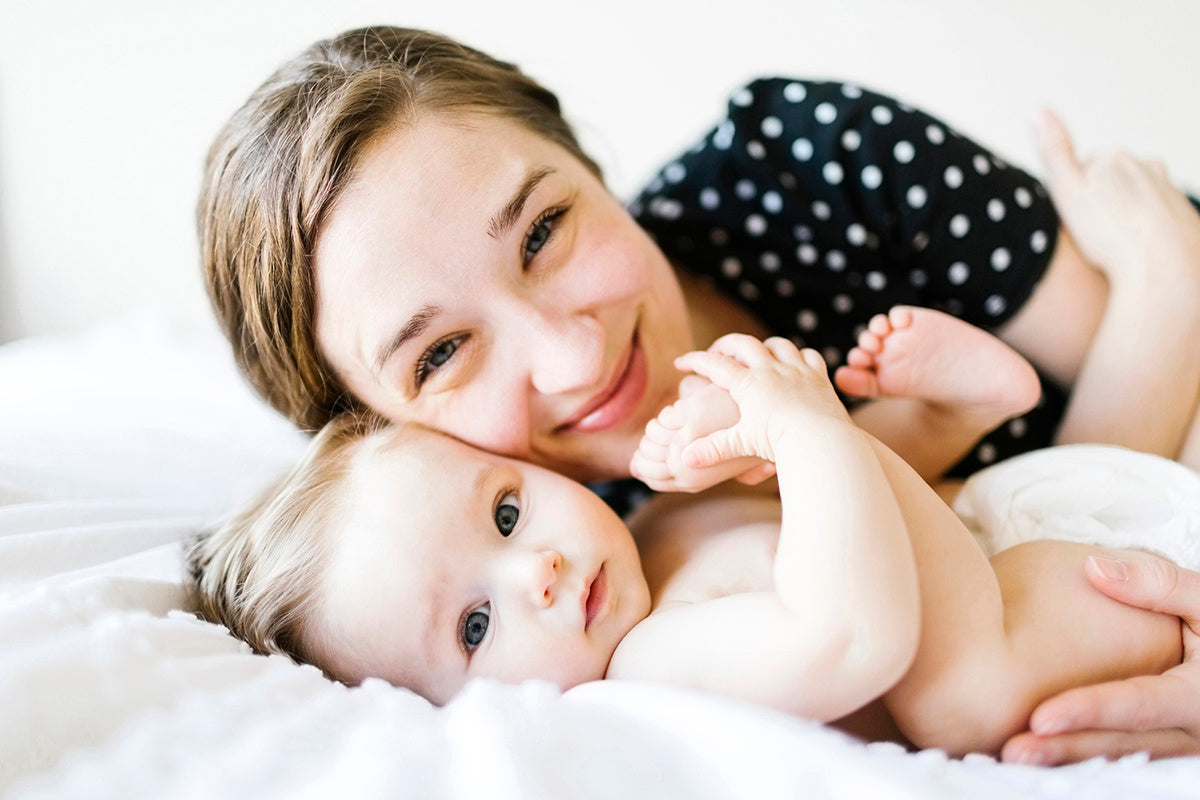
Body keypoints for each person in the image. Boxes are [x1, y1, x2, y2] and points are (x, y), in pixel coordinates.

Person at [197, 25, 1200, 761]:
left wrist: (1169, 277)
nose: (573, 357)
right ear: (384, 433)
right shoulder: (583, 580)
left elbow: (1097, 470)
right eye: (442, 352)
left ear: (588, 163)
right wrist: (1163, 291)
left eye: (543, 231)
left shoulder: (800, 170)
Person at [187, 309, 1189, 758]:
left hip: (1011, 527)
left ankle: (958, 413)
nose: (535, 569)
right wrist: (800, 426)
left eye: (504, 511)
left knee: (836, 503)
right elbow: (855, 633)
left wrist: (864, 441)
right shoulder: (647, 664)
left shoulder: (655, 525)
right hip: (1029, 635)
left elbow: (879, 516)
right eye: (476, 626)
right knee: (960, 696)